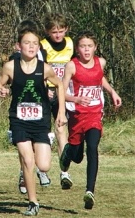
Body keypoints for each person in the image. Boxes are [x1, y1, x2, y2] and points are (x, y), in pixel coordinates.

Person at [0, 26, 67, 216]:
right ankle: (33, 202)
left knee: (43, 165)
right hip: (18, 120)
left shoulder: (45, 68)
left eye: (35, 43)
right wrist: (0, 90)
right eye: (27, 43)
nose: (31, 46)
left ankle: (32, 176)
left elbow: (59, 85)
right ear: (19, 46)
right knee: (28, 160)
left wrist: (60, 113)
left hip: (40, 120)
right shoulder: (10, 66)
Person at [61, 30, 121, 210]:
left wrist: (112, 92)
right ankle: (68, 152)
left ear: (95, 47)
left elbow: (99, 78)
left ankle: (89, 191)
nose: (86, 50)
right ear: (77, 49)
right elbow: (62, 92)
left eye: (89, 46)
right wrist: (76, 99)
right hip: (77, 116)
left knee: (93, 147)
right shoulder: (72, 66)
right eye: (82, 46)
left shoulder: (100, 62)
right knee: (78, 156)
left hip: (95, 115)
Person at [38, 12, 75, 189]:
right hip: (46, 94)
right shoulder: (42, 46)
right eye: (54, 32)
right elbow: (38, 69)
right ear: (47, 32)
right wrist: (45, 88)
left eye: (61, 31)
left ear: (66, 29)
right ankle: (42, 170)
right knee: (42, 133)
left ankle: (64, 172)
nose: (58, 35)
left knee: (61, 130)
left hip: (62, 93)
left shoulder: (70, 44)